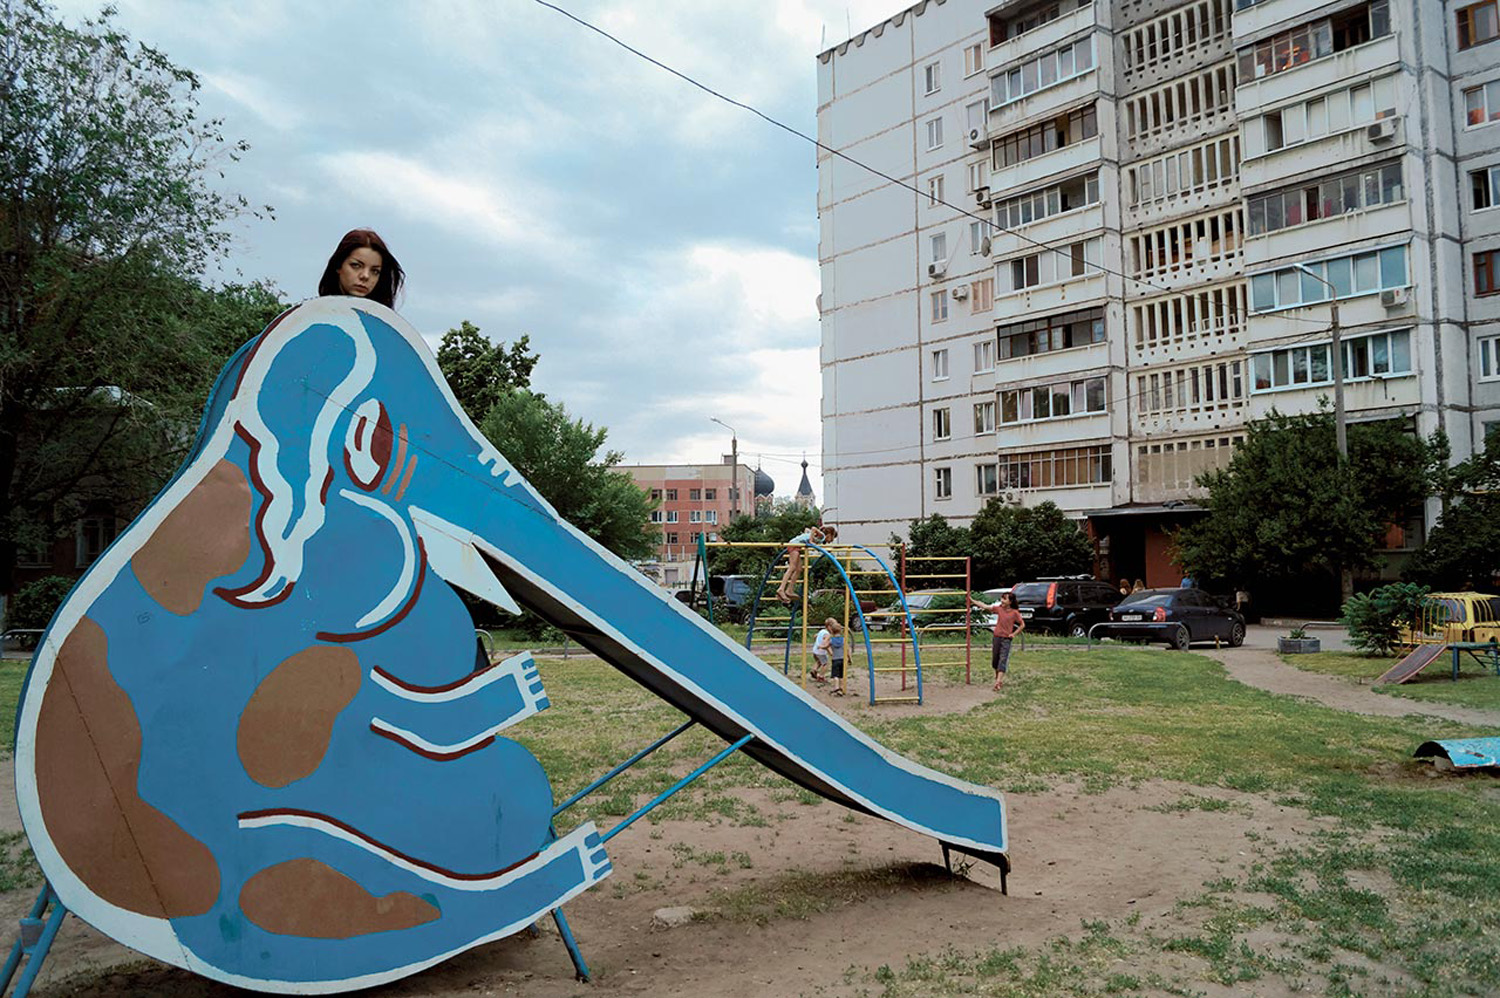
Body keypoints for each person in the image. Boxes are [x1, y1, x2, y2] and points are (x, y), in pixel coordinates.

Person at [318, 228, 405, 309]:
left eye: (375, 271)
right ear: (338, 265)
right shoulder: (311, 316)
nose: (365, 276)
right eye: (356, 266)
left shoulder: (384, 323)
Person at [968, 591, 1024, 691]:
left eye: (1004, 599)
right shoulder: (999, 609)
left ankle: (998, 682)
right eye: (1002, 598)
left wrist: (1013, 634)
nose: (1002, 600)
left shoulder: (1015, 613)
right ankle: (998, 678)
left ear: (1010, 602)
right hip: (997, 637)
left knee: (1003, 659)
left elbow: (1022, 624)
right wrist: (972, 601)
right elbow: (985, 606)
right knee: (995, 661)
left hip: (1006, 639)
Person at [776, 524, 837, 603]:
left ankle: (789, 590)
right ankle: (781, 588)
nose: (831, 541)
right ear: (829, 534)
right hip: (794, 545)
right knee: (792, 567)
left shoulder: (819, 537)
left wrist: (809, 539)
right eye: (832, 538)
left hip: (797, 546)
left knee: (799, 569)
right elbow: (813, 528)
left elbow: (807, 530)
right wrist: (811, 541)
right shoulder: (822, 536)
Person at [810, 618, 834, 684]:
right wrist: (830, 652)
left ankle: (814, 670)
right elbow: (825, 643)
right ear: (829, 627)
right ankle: (821, 677)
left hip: (815, 650)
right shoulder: (827, 635)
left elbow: (815, 636)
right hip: (821, 652)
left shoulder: (822, 631)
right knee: (825, 663)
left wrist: (817, 642)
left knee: (819, 661)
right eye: (833, 627)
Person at [828, 620, 846, 696]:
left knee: (835, 675)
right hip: (843, 659)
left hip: (835, 659)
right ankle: (841, 689)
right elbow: (847, 649)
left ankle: (836, 688)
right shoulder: (843, 640)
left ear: (831, 631)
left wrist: (821, 647)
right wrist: (849, 658)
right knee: (841, 675)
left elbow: (826, 646)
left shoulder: (831, 640)